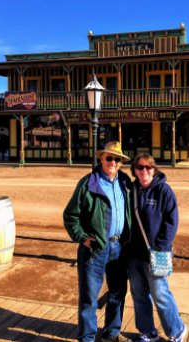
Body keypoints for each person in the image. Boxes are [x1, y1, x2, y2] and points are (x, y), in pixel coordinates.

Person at [63, 141, 132, 342]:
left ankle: (111, 333)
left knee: (118, 293)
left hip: (119, 246)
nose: (113, 162)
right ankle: (87, 337)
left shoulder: (125, 182)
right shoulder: (87, 183)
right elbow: (70, 216)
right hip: (95, 249)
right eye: (109, 157)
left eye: (117, 159)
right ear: (101, 158)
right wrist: (83, 239)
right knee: (89, 297)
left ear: (120, 162)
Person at [126, 153, 187, 342]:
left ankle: (177, 330)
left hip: (158, 253)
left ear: (154, 169)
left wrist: (158, 247)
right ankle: (148, 332)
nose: (144, 170)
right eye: (140, 167)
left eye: (148, 167)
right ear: (134, 170)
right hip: (134, 254)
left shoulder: (164, 191)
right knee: (139, 294)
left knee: (160, 293)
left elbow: (171, 222)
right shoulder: (131, 189)